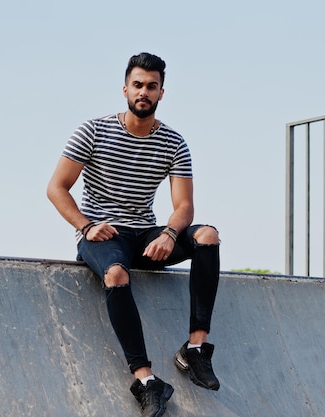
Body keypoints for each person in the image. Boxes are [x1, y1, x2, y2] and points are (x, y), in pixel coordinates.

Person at [46, 52, 221, 417]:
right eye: (138, 85)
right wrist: (86, 225)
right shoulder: (92, 130)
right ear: (125, 88)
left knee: (207, 236)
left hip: (146, 235)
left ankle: (195, 348)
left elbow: (184, 205)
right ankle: (146, 380)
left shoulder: (174, 142)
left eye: (151, 86)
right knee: (115, 273)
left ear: (161, 93)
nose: (144, 92)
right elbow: (57, 188)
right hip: (101, 235)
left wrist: (171, 234)